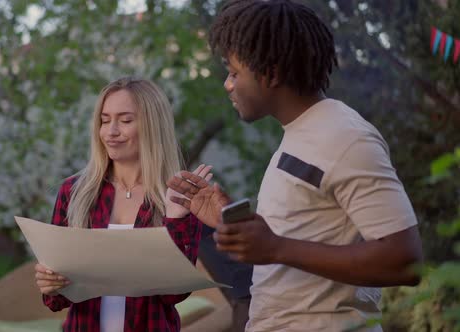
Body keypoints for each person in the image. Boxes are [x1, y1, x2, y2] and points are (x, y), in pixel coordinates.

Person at [167, 1, 423, 331]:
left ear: (271, 74)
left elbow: (404, 262)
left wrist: (276, 248)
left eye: (234, 73)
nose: (228, 85)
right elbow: (303, 233)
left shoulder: (345, 137)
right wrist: (228, 221)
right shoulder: (301, 133)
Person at [34, 77, 212, 332]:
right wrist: (51, 283)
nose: (111, 131)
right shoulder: (74, 193)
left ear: (152, 126)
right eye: (105, 120)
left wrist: (175, 219)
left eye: (125, 120)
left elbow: (174, 295)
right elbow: (55, 300)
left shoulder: (177, 196)